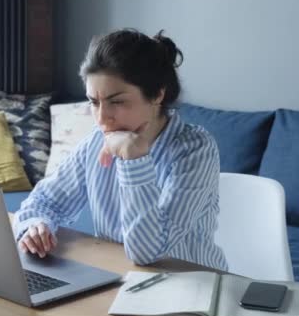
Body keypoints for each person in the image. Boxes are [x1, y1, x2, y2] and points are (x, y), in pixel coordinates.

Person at [13, 28, 228, 270]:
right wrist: (36, 226)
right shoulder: (96, 141)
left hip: (192, 285)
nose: (102, 119)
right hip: (119, 278)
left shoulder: (195, 150)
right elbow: (43, 201)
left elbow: (147, 253)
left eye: (117, 102)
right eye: (94, 102)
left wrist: (134, 159)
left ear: (158, 93)